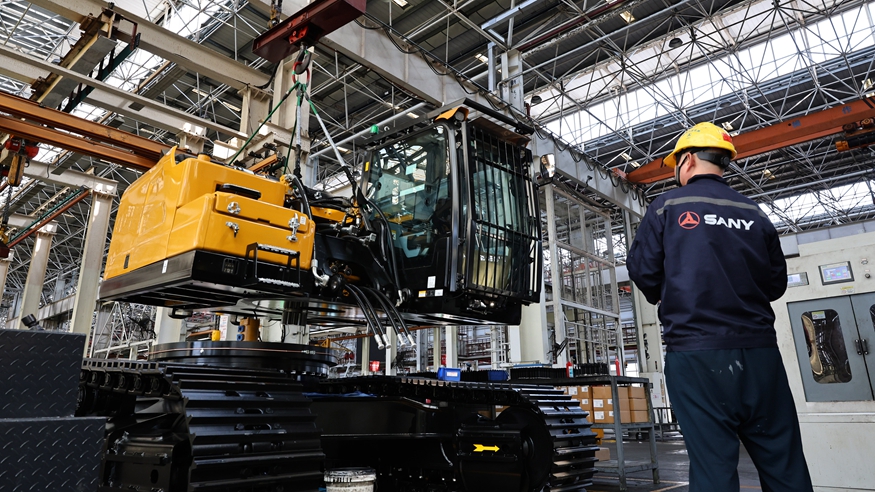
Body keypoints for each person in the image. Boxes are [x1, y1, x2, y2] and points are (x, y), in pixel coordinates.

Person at [626, 122, 813, 492]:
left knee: (714, 470)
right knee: (785, 464)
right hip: (761, 356)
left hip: (697, 356)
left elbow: (643, 270)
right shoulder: (754, 212)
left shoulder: (667, 207)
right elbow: (775, 284)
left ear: (688, 160)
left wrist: (673, 292)